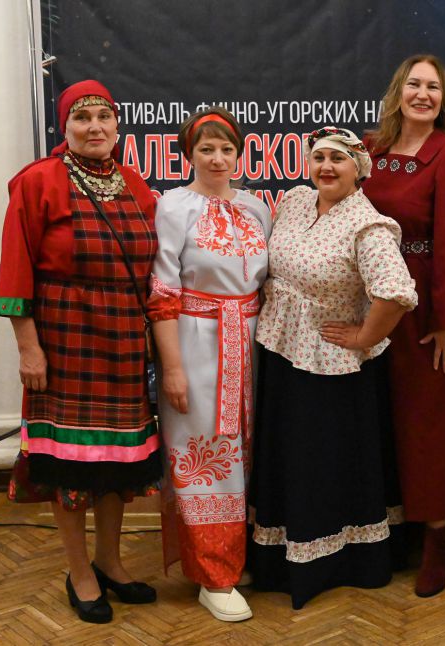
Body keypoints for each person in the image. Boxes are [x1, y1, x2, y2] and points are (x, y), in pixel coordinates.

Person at [0, 80, 159, 624]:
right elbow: (16, 268)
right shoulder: (37, 181)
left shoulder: (135, 185)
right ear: (64, 127)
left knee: (117, 461)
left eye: (103, 117)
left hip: (123, 339)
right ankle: (80, 571)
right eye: (82, 118)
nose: (94, 128)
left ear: (117, 125)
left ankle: (110, 560)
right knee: (68, 463)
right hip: (64, 337)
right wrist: (29, 349)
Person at [249, 126, 417, 609]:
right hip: (281, 353)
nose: (326, 166)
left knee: (319, 462)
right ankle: (277, 556)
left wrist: (364, 336)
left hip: (332, 368)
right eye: (319, 157)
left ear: (358, 170)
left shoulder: (368, 226)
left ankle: (334, 561)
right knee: (286, 455)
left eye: (338, 159)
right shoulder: (296, 201)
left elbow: (397, 293)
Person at [363, 54, 445, 598]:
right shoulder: (370, 151)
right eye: (413, 84)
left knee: (430, 421)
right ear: (398, 92)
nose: (422, 94)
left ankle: (436, 538)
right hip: (370, 303)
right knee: (379, 417)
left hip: (425, 309)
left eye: (433, 87)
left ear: (443, 99)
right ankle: (394, 530)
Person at [147, 108, 271, 621]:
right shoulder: (173, 206)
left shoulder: (257, 207)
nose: (218, 158)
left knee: (247, 451)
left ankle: (238, 556)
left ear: (240, 154)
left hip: (252, 341)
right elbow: (162, 291)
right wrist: (173, 368)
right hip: (196, 342)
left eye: (227, 149)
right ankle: (212, 575)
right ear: (189, 154)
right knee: (204, 452)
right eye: (206, 149)